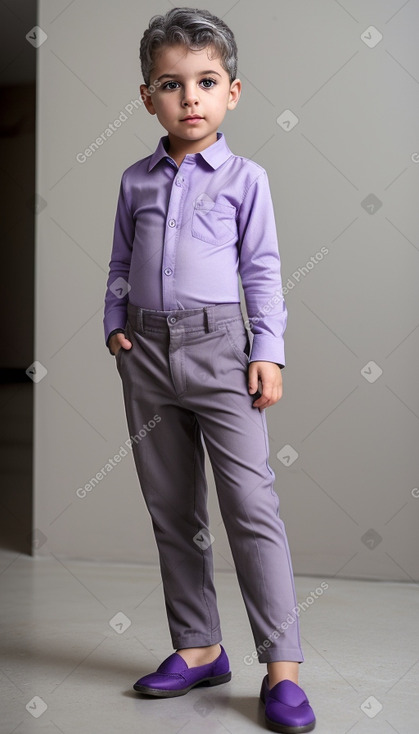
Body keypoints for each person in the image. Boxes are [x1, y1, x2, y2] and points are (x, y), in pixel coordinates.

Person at [103, 7, 316, 732]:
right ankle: (198, 649)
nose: (189, 97)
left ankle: (281, 667)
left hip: (223, 350)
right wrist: (114, 325)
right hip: (148, 353)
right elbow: (119, 263)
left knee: (251, 510)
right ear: (147, 97)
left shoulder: (245, 180)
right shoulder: (134, 181)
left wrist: (267, 351)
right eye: (171, 83)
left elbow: (261, 271)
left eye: (205, 81)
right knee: (173, 510)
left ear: (232, 92)